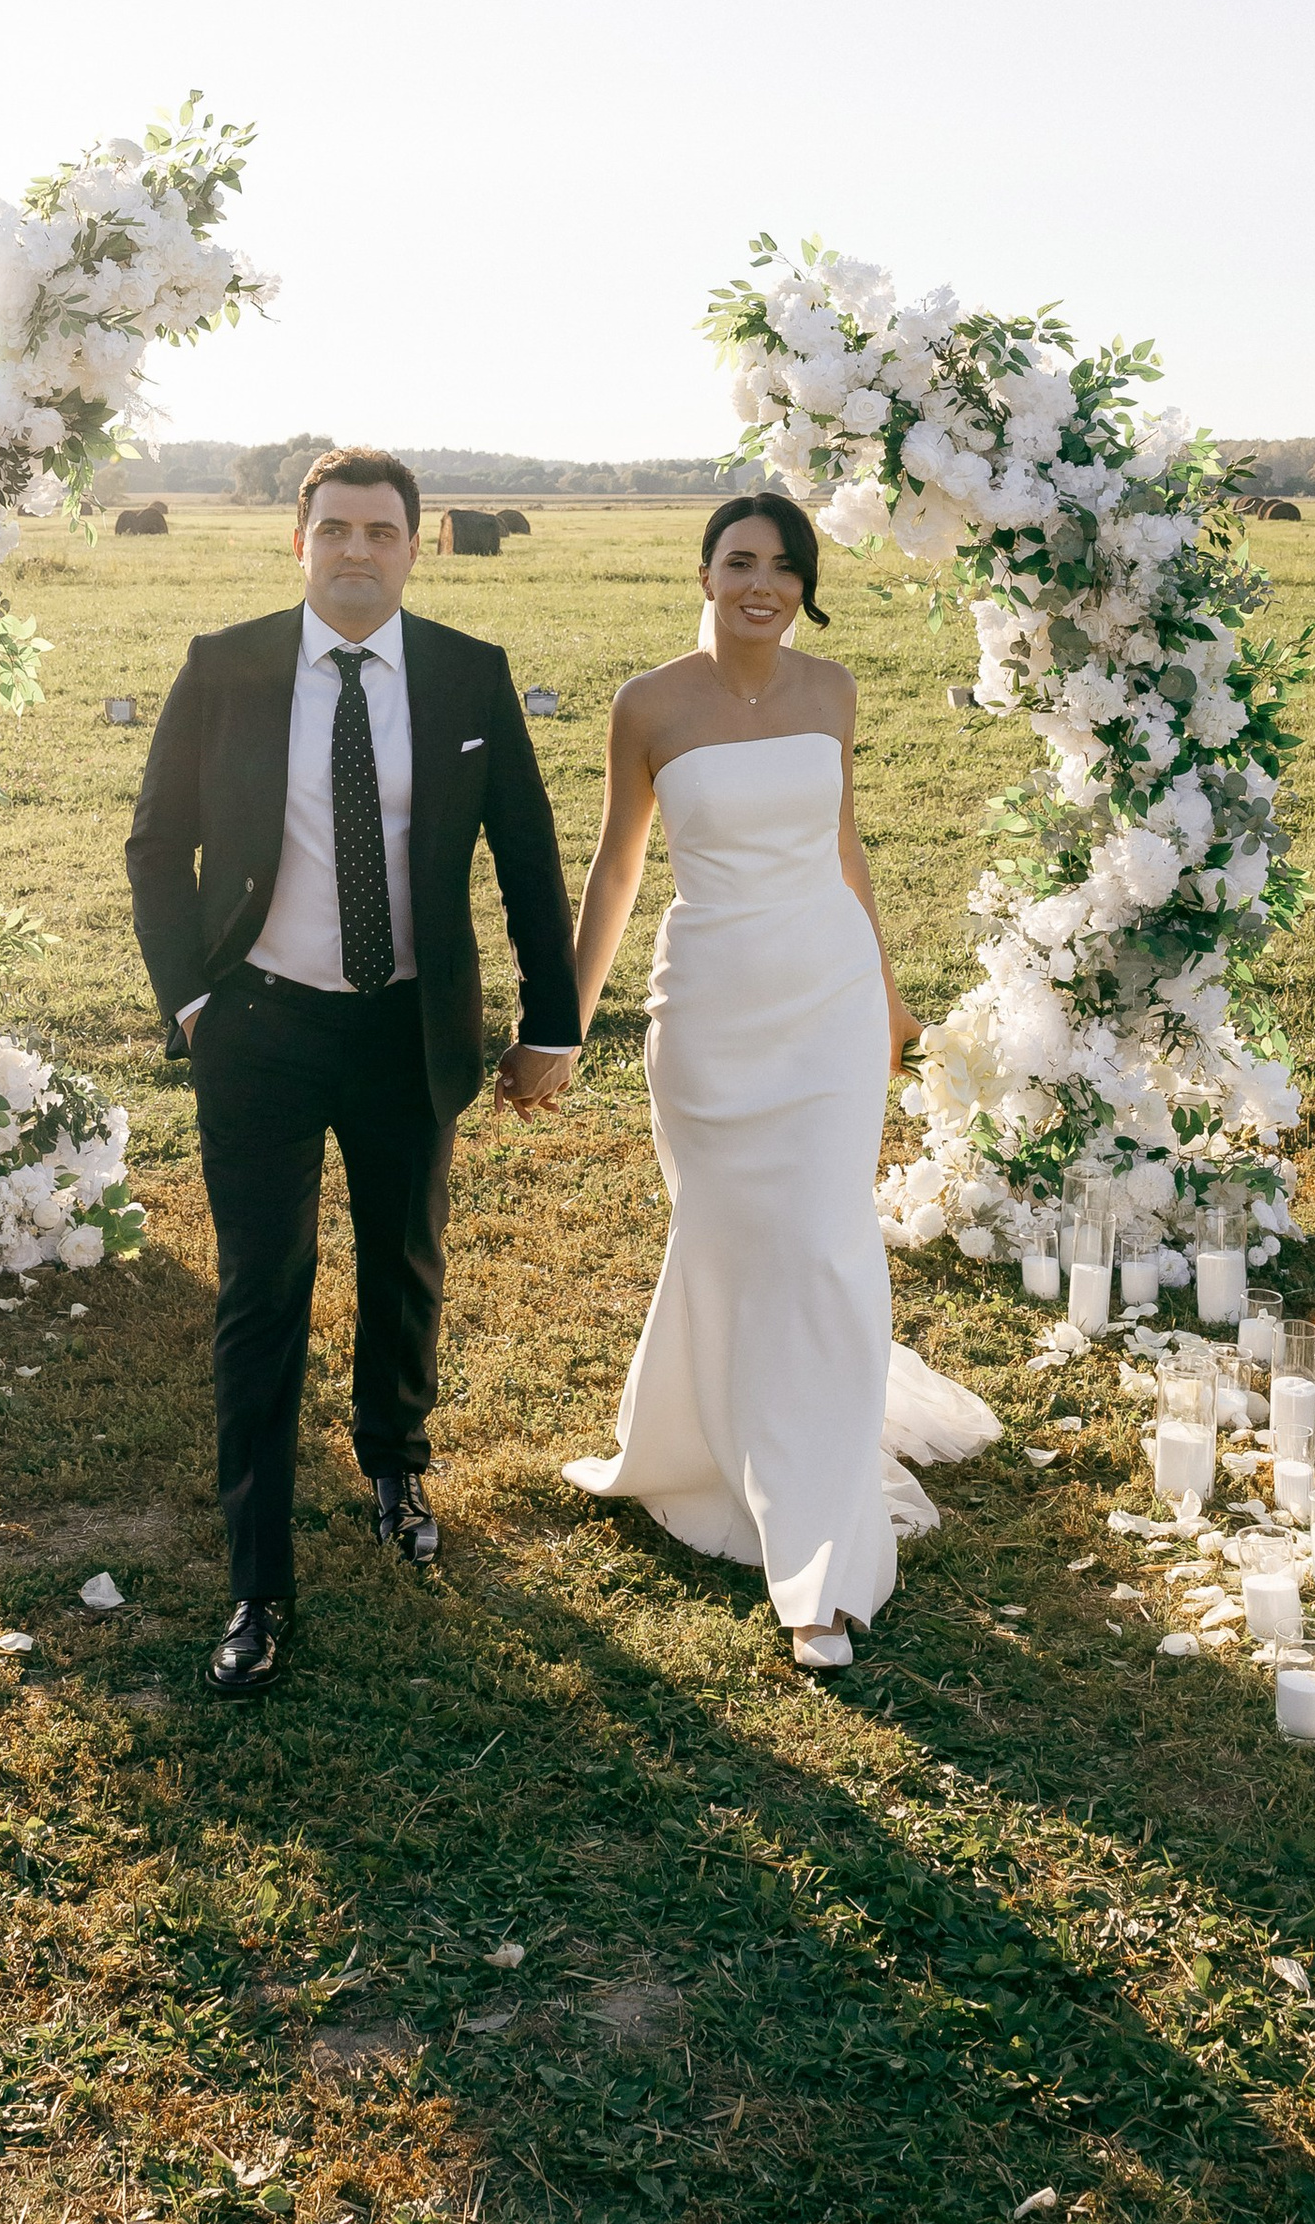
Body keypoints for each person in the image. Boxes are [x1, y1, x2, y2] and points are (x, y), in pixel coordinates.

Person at [127, 445, 581, 1696]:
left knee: (404, 1256)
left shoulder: (466, 674)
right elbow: (159, 846)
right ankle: (257, 1582)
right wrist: (195, 1003)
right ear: (298, 541)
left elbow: (527, 859)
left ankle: (393, 1458)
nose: (357, 550)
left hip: (404, 1029)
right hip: (258, 1030)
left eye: (382, 530)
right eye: (334, 528)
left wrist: (552, 1018)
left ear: (416, 546)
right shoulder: (223, 666)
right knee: (261, 1291)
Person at [560, 495, 998, 1669]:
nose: (763, 582)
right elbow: (615, 870)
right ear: (703, 572)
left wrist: (891, 992)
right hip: (707, 1011)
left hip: (828, 1003)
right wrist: (562, 1020)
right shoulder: (647, 704)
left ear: (804, 584)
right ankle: (699, 1442)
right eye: (741, 561)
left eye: (785, 566)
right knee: (732, 1241)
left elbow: (844, 846)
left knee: (819, 1242)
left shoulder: (833, 691)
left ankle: (819, 1556)